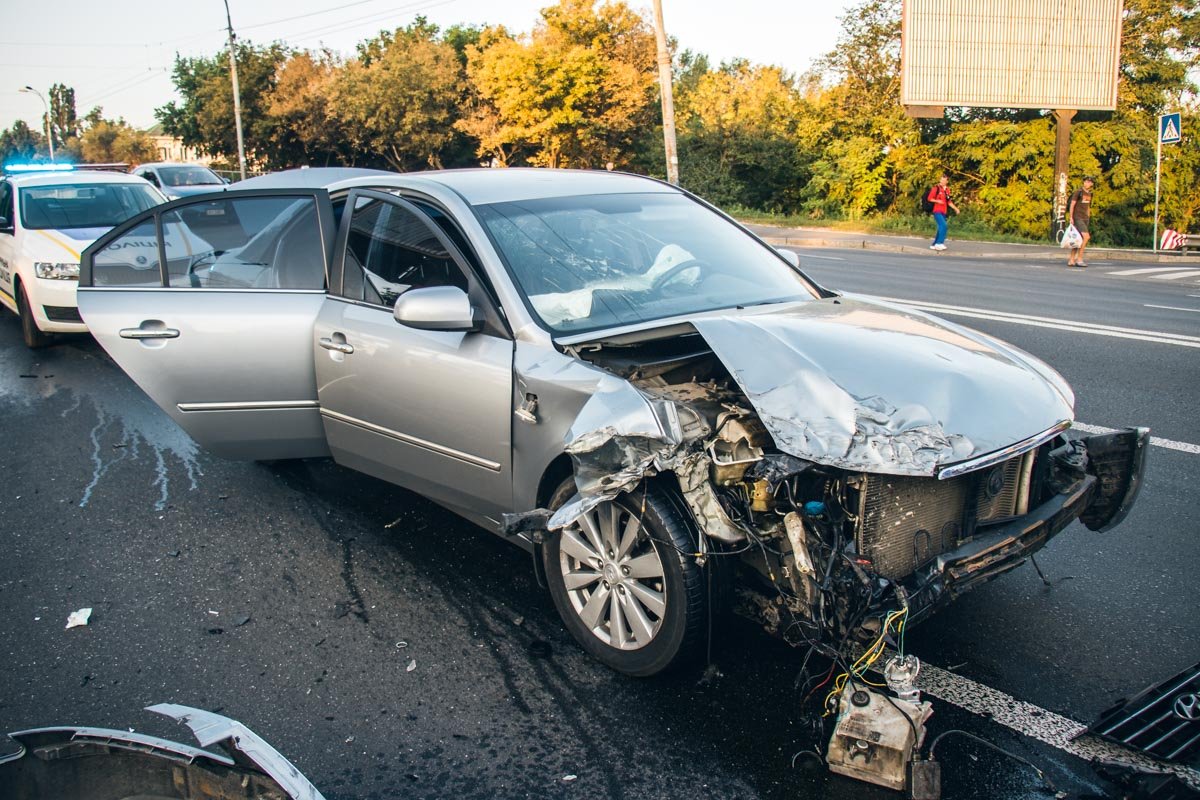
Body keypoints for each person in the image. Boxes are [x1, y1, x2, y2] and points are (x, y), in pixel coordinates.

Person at [1067, 176, 1095, 267]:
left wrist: (1088, 216)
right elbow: (1072, 204)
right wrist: (1071, 217)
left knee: (1078, 239)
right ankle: (1079, 259)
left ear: (1092, 184)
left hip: (1085, 218)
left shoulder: (1090, 194)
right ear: (1083, 182)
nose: (1087, 184)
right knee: (1086, 237)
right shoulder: (1078, 192)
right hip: (1077, 217)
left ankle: (1071, 259)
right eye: (1086, 182)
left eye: (1089, 182)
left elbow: (1088, 207)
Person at [927, 174, 960, 251]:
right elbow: (929, 198)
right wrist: (937, 201)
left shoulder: (947, 190)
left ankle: (934, 244)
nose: (942, 181)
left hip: (944, 211)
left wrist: (956, 209)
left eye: (944, 180)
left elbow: (949, 202)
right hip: (937, 210)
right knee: (944, 225)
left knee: (940, 228)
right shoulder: (936, 188)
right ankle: (939, 243)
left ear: (947, 181)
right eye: (941, 180)